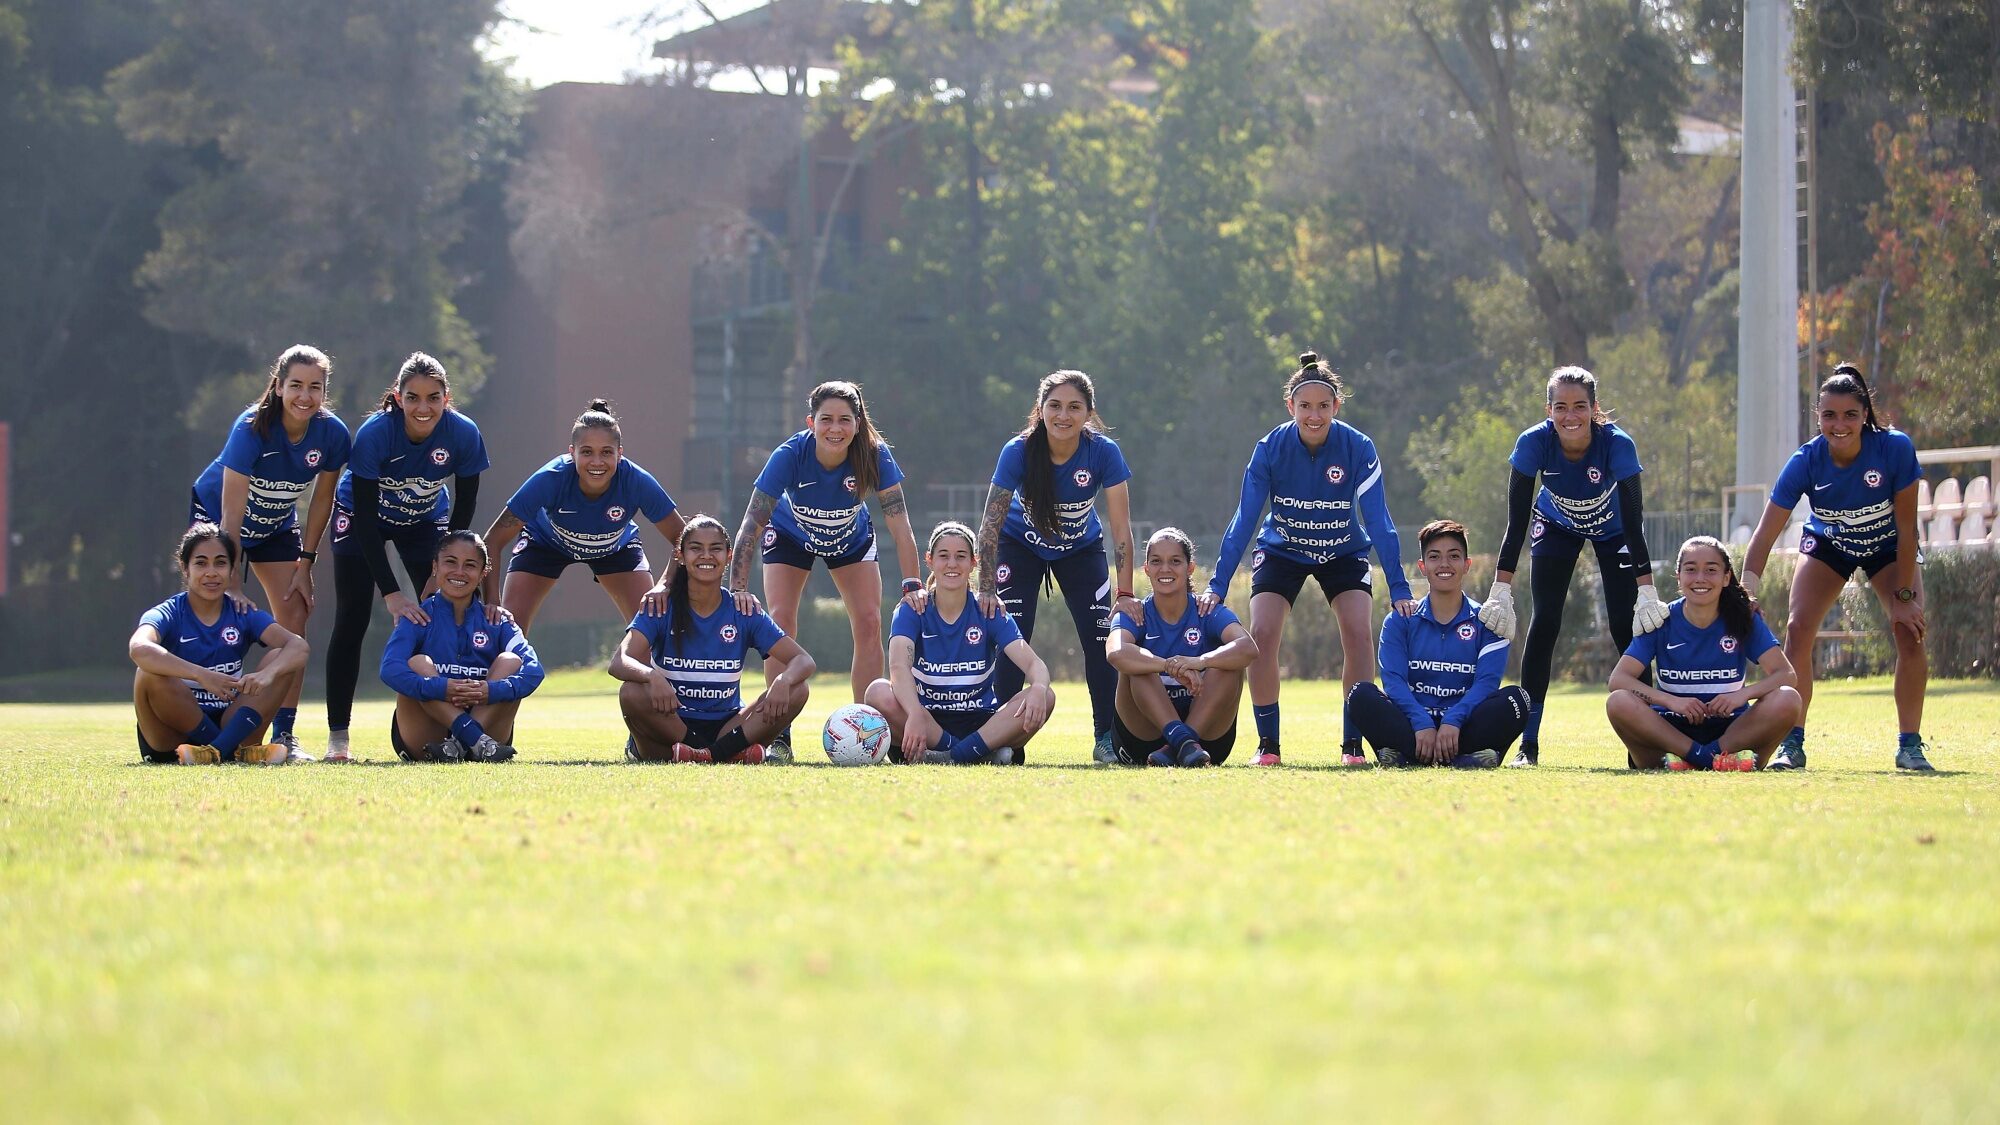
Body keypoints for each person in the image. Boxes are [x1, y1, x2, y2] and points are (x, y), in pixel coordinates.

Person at [1201, 351, 1416, 767]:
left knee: (1357, 633)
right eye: (1305, 406)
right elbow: (1245, 518)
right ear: (1290, 407)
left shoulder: (1358, 448)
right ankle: (1268, 745)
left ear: (1336, 406)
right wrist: (1217, 583)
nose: (1314, 415)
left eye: (1323, 406)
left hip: (1343, 550)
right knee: (1262, 635)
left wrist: (1401, 586)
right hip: (1282, 549)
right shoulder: (1270, 448)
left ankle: (1353, 744)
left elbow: (1380, 522)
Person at [1741, 364, 1932, 771]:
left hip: (1889, 547)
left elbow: (1906, 530)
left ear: (1865, 415)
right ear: (1818, 417)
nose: (1839, 424)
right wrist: (1747, 591)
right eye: (1829, 415)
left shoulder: (1894, 449)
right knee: (1797, 629)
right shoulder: (1806, 461)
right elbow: (1764, 534)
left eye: (1849, 415)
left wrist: (1903, 598)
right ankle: (1792, 743)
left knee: (1909, 634)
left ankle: (1910, 745)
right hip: (1832, 544)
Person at [1479, 366, 1666, 767]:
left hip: (1613, 529)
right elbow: (1517, 523)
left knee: (1625, 625)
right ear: (1548, 410)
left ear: (1595, 409)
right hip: (1556, 522)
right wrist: (1501, 588)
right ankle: (1528, 744)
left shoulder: (1617, 444)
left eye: (1580, 406)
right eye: (1560, 407)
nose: (1570, 416)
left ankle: (1646, 744)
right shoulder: (1533, 443)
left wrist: (1647, 590)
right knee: (1545, 620)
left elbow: (1634, 524)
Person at [730, 381, 921, 759]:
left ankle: (867, 731)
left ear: (858, 423)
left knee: (869, 622)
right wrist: (736, 587)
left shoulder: (874, 455)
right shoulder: (789, 455)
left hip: (849, 541)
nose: (835, 428)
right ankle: (778, 734)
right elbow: (752, 523)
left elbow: (900, 526)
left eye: (845, 420)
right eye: (826, 419)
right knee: (780, 624)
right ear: (811, 422)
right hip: (790, 536)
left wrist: (913, 584)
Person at [323, 352, 490, 763]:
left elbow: (463, 513)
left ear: (446, 399)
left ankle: (465, 728)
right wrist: (393, 594)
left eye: (433, 398)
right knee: (352, 617)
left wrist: (443, 568)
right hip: (363, 518)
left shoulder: (463, 433)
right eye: (412, 397)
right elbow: (365, 522)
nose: (423, 408)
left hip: (424, 519)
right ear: (398, 398)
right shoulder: (376, 434)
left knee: (452, 612)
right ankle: (338, 738)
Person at [189, 344, 351, 760]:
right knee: (214, 608)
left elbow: (321, 502)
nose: (305, 396)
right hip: (221, 522)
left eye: (315, 387)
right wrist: (232, 580)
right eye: (295, 385)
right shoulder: (250, 428)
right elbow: (232, 511)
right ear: (278, 387)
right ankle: (199, 720)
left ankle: (284, 734)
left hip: (277, 524)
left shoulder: (332, 434)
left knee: (295, 612)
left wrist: (306, 563)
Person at [975, 370, 1140, 765]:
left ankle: (1106, 737)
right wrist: (986, 588)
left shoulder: (1104, 452)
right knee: (1013, 638)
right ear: (1040, 409)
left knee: (1101, 641)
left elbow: (1121, 531)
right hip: (1020, 547)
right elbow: (990, 526)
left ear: (1089, 414)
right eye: (1054, 406)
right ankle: (1006, 740)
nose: (1063, 415)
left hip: (1080, 549)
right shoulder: (1017, 451)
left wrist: (1125, 593)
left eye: (1074, 407)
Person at [612, 516, 817, 763]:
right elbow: (619, 661)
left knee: (798, 689)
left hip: (727, 726)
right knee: (631, 693)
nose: (706, 556)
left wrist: (784, 680)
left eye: (716, 549)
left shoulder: (743, 609)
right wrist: (651, 676)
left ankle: (707, 754)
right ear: (680, 556)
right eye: (696, 548)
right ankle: (724, 754)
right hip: (671, 723)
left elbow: (803, 660)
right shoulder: (660, 606)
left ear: (729, 556)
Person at [481, 399, 685, 632]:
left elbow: (684, 538)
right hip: (546, 544)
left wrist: (665, 585)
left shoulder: (636, 481)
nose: (597, 462)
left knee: (652, 628)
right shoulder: (550, 478)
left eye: (606, 452)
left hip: (615, 548)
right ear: (572, 453)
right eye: (587, 452)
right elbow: (493, 540)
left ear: (620, 454)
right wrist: (491, 603)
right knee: (506, 630)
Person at [864, 521, 1055, 765]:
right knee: (877, 692)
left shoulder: (989, 610)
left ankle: (953, 755)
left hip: (981, 723)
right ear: (930, 560)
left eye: (960, 556)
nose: (952, 564)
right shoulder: (911, 609)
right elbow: (899, 667)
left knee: (1046, 696)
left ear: (973, 562)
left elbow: (1033, 663)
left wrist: (1038, 688)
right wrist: (913, 714)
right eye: (943, 556)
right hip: (925, 718)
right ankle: (977, 754)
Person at [1346, 520, 1529, 768]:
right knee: (1360, 694)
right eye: (1434, 557)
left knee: (1518, 700)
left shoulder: (1487, 620)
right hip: (1413, 726)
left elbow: (1487, 683)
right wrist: (1421, 722)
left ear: (1467, 565)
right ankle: (1459, 758)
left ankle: (1407, 756)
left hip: (1462, 728)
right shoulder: (1401, 620)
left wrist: (1454, 719)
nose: (1444, 564)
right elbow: (1394, 682)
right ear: (1422, 566)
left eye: (1454, 556)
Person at [1607, 537, 1801, 770]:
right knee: (1618, 702)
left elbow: (1786, 675)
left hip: (1733, 731)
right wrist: (1672, 701)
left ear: (1726, 577)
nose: (1700, 578)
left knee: (1788, 698)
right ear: (1678, 576)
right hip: (1670, 732)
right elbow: (1618, 680)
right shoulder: (1661, 620)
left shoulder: (1743, 617)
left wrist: (1742, 695)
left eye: (1711, 570)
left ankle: (1707, 757)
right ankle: (1706, 759)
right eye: (1691, 570)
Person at [129, 523, 310, 764]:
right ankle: (231, 751)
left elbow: (299, 647)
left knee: (281, 657)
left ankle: (217, 751)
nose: (211, 572)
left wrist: (267, 675)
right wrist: (201, 675)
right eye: (201, 563)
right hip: (174, 736)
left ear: (233, 569)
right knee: (147, 673)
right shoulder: (170, 611)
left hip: (231, 721)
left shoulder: (242, 613)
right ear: (185, 569)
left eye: (221, 563)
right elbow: (139, 648)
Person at [378, 531, 543, 762]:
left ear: (483, 573)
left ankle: (461, 744)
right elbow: (389, 669)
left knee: (511, 660)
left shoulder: (499, 621)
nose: (459, 572)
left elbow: (534, 671)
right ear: (435, 567)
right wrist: (441, 688)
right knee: (418, 663)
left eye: (470, 565)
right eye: (450, 562)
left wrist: (490, 691)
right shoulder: (417, 617)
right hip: (426, 739)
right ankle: (472, 738)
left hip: (490, 734)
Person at [1107, 528, 1258, 767]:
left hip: (1205, 744)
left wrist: (1201, 661)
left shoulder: (1207, 610)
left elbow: (1248, 648)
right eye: (1156, 562)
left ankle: (1184, 741)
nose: (1165, 569)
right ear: (1146, 569)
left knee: (1227, 663)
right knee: (1137, 663)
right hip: (1144, 742)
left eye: (1175, 561)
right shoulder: (1134, 612)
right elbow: (1115, 652)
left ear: (1190, 568)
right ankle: (1182, 740)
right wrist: (1168, 665)